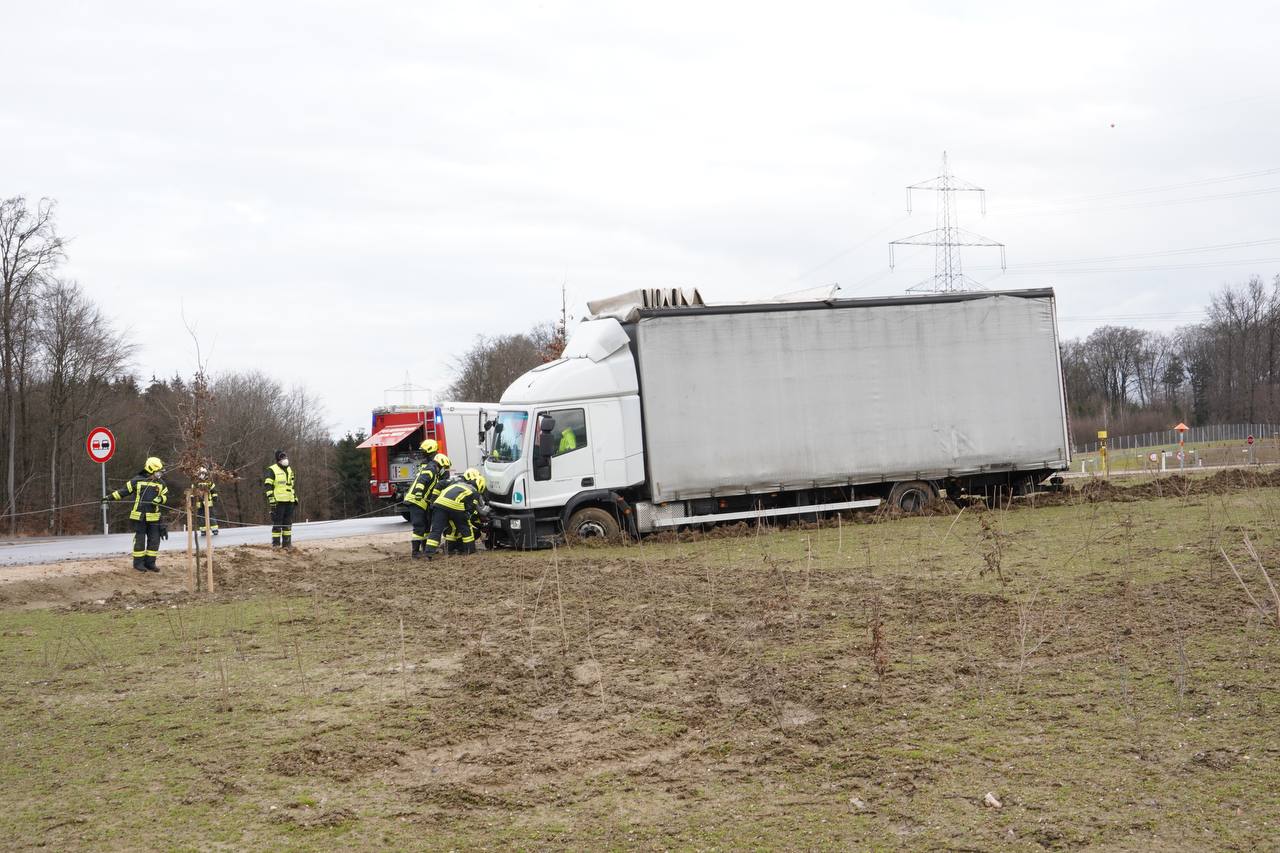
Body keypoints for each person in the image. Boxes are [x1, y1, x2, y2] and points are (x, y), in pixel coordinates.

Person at [102, 456, 169, 572]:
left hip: (154, 517)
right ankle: (138, 564)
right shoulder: (137, 480)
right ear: (150, 469)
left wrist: (160, 499)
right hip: (139, 516)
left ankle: (150, 563)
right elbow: (123, 492)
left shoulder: (161, 483)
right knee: (140, 540)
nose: (160, 474)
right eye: (158, 472)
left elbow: (166, 497)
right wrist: (109, 498)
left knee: (154, 541)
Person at [422, 468, 486, 560]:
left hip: (439, 504)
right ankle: (470, 550)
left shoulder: (457, 484)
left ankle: (429, 553)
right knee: (466, 528)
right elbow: (471, 507)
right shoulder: (474, 492)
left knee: (436, 530)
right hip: (455, 506)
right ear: (481, 486)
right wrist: (468, 516)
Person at [404, 446, 451, 559]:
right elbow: (421, 480)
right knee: (419, 527)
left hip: (421, 502)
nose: (445, 470)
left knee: (425, 527)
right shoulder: (431, 469)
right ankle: (415, 553)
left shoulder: (434, 472)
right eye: (445, 467)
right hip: (416, 500)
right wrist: (419, 492)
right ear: (441, 464)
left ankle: (425, 550)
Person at [264, 449, 298, 548]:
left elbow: (291, 485)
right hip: (278, 501)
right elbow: (268, 485)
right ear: (278, 459)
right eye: (282, 458)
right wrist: (271, 498)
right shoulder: (272, 469)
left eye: (285, 457)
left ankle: (287, 544)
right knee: (277, 523)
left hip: (289, 500)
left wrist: (295, 497)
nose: (285, 459)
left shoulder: (289, 469)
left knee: (288, 523)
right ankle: (276, 545)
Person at [194, 467, 219, 535]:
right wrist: (192, 499)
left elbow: (214, 490)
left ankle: (214, 529)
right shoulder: (195, 483)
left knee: (211, 516)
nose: (201, 475)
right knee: (201, 517)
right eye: (200, 473)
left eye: (203, 473)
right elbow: (193, 492)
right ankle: (203, 530)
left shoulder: (209, 482)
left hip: (208, 502)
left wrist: (215, 497)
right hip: (199, 503)